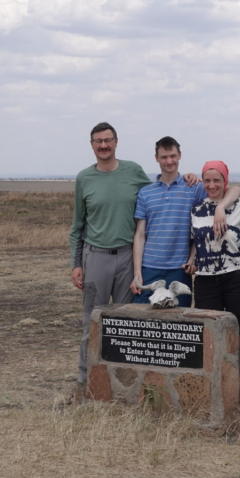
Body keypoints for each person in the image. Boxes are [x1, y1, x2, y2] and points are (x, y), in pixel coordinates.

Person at [69, 122, 151, 387]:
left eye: (108, 140)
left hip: (128, 257)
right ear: (91, 145)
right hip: (96, 258)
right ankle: (86, 383)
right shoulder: (84, 178)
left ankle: (124, 384)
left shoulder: (134, 171)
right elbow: (77, 225)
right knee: (92, 323)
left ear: (117, 142)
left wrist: (189, 180)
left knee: (125, 321)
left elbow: (156, 196)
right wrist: (76, 264)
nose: (103, 145)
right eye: (98, 141)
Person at [130, 137, 240, 306]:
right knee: (145, 323)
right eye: (164, 157)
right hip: (149, 267)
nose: (169, 161)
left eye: (173, 156)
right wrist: (137, 272)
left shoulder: (194, 188)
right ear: (156, 158)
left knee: (179, 322)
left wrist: (221, 208)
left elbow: (234, 190)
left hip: (180, 269)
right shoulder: (145, 193)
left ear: (180, 155)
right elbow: (139, 235)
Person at [184, 160, 240, 379]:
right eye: (207, 180)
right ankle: (211, 382)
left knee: (238, 332)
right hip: (205, 280)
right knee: (209, 333)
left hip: (237, 277)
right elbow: (196, 240)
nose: (212, 185)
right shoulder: (196, 210)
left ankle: (239, 383)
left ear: (225, 181)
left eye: (217, 180)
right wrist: (192, 259)